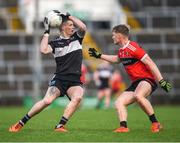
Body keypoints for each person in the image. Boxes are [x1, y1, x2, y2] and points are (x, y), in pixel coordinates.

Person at [9, 11, 87, 132]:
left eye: (73, 25)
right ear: (63, 27)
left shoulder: (77, 38)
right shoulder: (55, 43)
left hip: (75, 80)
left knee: (77, 98)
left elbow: (83, 27)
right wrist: (46, 31)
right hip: (60, 79)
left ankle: (60, 126)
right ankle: (20, 123)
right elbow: (43, 50)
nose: (73, 27)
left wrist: (68, 16)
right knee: (47, 101)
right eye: (70, 25)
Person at [88, 24, 172, 133]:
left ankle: (155, 123)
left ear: (119, 35)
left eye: (113, 35)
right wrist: (99, 55)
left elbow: (150, 62)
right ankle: (123, 127)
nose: (112, 37)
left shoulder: (133, 47)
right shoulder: (122, 50)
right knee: (118, 102)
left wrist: (161, 81)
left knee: (138, 95)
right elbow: (116, 59)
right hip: (136, 83)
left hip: (147, 80)